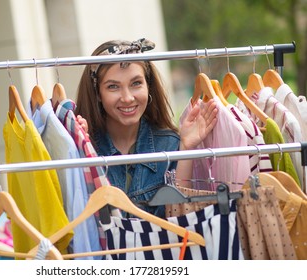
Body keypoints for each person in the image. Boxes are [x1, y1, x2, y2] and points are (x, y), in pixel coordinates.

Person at [75, 38, 218, 218]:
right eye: (113, 87)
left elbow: (179, 216)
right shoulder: (84, 147)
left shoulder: (170, 145)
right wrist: (82, 151)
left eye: (136, 83)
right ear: (97, 94)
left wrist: (186, 148)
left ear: (148, 86)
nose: (127, 98)